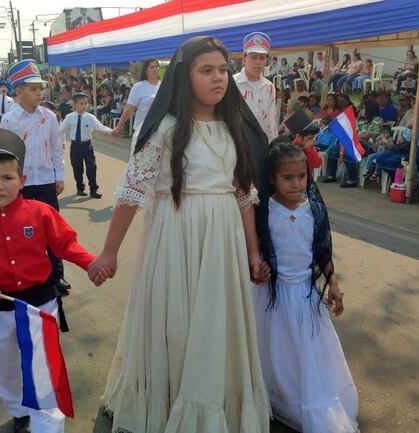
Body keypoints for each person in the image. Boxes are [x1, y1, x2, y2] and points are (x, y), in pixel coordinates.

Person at [88, 36, 271, 433]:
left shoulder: (232, 126)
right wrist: (109, 252)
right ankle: (173, 405)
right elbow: (131, 191)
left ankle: (213, 405)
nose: (218, 78)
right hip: (177, 238)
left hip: (223, 243)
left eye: (223, 70)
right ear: (183, 77)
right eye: (206, 70)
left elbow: (243, 195)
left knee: (215, 325)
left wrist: (254, 253)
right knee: (180, 325)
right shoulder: (165, 129)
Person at [0, 129, 96, 433]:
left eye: (7, 177)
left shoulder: (41, 213)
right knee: (2, 366)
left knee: (43, 369)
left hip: (39, 307)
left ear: (23, 180)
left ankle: (47, 424)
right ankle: (19, 410)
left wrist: (92, 264)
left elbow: (66, 245)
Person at [253, 141, 357, 433]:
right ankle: (276, 397)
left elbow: (322, 250)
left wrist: (333, 283)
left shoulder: (314, 210)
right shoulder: (263, 210)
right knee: (273, 351)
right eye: (288, 177)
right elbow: (257, 247)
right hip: (270, 297)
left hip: (304, 297)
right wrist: (259, 264)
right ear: (273, 177)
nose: (296, 183)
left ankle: (304, 401)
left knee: (307, 355)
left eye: (301, 176)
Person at [0, 60, 70, 297]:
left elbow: (57, 148)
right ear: (17, 91)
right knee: (22, 231)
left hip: (45, 182)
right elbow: (5, 156)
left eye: (41, 88)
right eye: (33, 88)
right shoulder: (9, 120)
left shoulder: (49, 116)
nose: (39, 93)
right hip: (21, 185)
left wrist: (58, 176)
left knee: (52, 230)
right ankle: (27, 275)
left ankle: (56, 275)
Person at [60, 92, 112, 199]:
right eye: (81, 103)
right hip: (75, 147)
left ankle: (94, 190)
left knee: (91, 168)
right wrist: (62, 142)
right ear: (74, 105)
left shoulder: (90, 117)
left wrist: (112, 131)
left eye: (85, 104)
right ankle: (80, 188)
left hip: (87, 146)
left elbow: (100, 127)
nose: (84, 106)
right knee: (77, 169)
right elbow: (61, 131)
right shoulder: (69, 117)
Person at [234, 32, 278, 142]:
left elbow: (271, 122)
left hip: (261, 145)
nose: (258, 62)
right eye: (254, 57)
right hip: (238, 144)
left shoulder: (269, 87)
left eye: (262, 58)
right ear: (244, 59)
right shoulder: (232, 83)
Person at [112, 57, 161, 137]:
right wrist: (119, 127)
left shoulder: (162, 86)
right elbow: (129, 109)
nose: (155, 69)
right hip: (142, 130)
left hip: (158, 130)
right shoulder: (139, 86)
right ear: (146, 71)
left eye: (156, 66)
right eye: (151, 67)